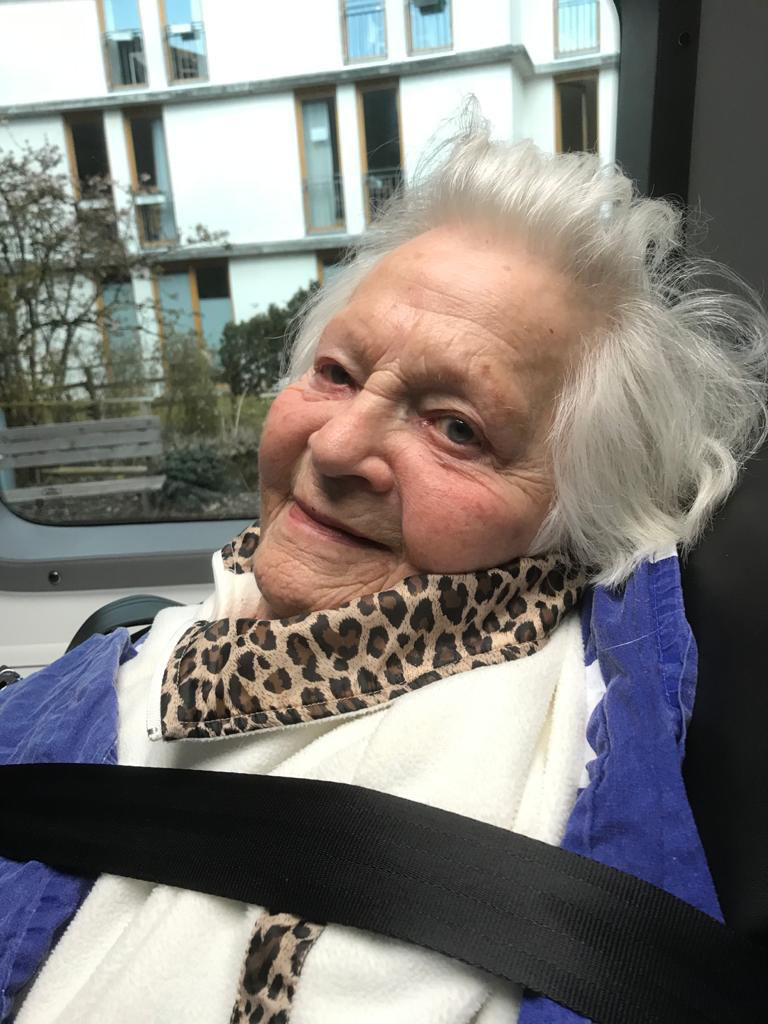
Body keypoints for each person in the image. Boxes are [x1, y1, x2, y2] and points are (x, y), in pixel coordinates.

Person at [3, 105, 767, 1024]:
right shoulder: (132, 661)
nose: (335, 446)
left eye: (456, 428)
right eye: (336, 373)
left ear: (574, 522)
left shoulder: (570, 800)